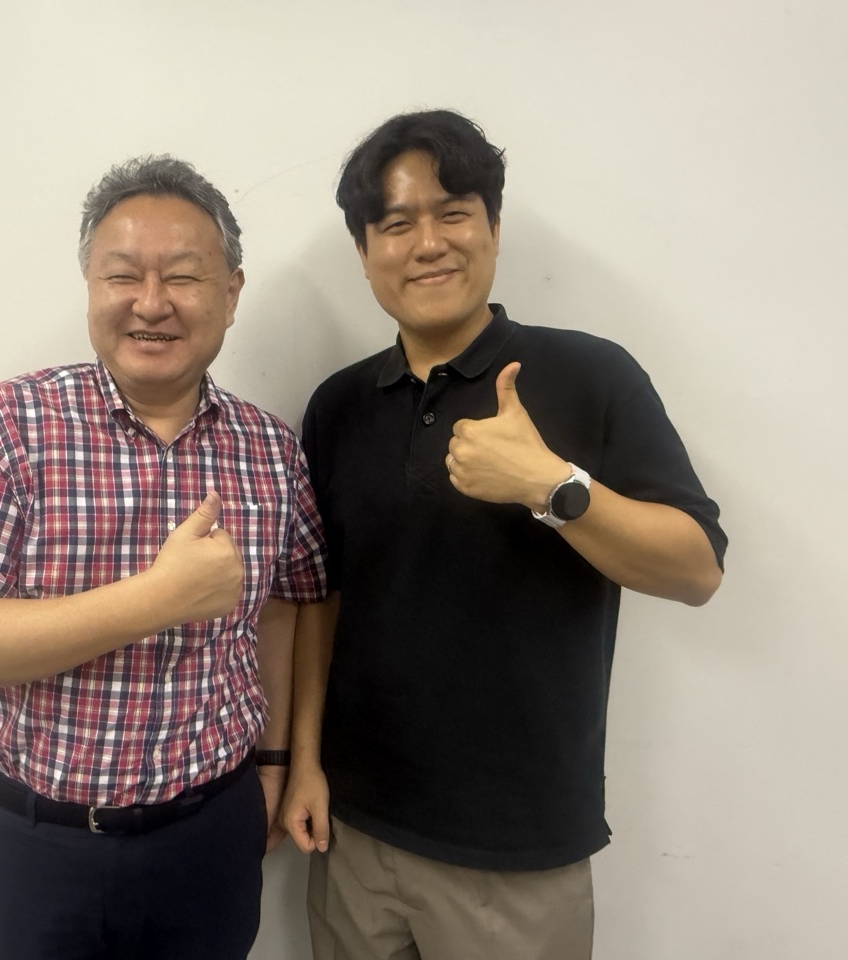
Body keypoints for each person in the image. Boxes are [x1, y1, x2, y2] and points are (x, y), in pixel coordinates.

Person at [280, 110, 728, 959]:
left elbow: (696, 570)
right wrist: (302, 761)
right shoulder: (337, 406)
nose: (428, 244)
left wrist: (551, 486)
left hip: (517, 853)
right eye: (396, 224)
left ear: (492, 227)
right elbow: (322, 600)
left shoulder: (589, 373)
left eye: (453, 213)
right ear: (364, 252)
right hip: (355, 833)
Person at [0, 155, 327, 960]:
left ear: (232, 293)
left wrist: (274, 763)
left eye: (184, 276)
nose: (151, 303)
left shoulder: (270, 449)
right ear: (91, 287)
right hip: (30, 844)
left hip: (209, 834)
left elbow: (284, 605)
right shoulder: (5, 427)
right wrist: (159, 598)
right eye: (122, 275)